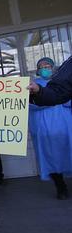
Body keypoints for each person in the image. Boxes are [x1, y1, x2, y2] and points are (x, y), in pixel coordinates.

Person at [29, 57, 72, 200]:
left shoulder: (62, 82)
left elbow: (67, 100)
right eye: (42, 66)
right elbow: (30, 104)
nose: (45, 68)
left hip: (66, 127)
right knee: (51, 158)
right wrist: (49, 98)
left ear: (53, 67)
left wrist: (49, 98)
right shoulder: (33, 85)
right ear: (37, 69)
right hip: (44, 131)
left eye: (48, 65)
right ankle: (61, 187)